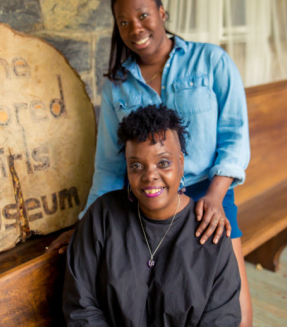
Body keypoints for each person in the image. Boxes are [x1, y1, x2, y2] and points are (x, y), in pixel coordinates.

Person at [49, 0, 252, 325]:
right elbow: (110, 165)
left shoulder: (210, 61)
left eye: (143, 15)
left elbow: (235, 134)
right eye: (124, 22)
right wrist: (86, 225)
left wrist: (216, 196)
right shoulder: (118, 86)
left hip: (208, 194)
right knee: (157, 291)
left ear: (162, 12)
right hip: (146, 200)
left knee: (230, 295)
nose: (135, 28)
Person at [63, 105, 241, 326]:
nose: (150, 176)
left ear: (181, 162)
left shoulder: (210, 231)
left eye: (163, 163)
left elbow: (221, 319)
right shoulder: (102, 217)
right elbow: (81, 305)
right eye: (136, 165)